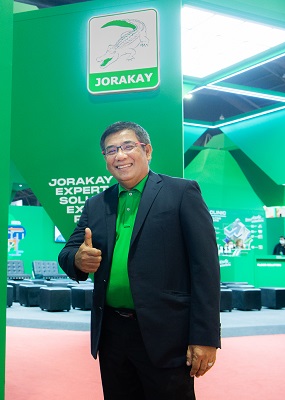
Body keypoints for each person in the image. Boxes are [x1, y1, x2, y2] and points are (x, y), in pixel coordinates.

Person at [58, 121, 220, 400]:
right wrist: (78, 259)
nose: (119, 155)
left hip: (166, 334)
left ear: (147, 150)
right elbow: (67, 252)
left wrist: (205, 337)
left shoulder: (181, 193)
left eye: (128, 146)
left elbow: (205, 269)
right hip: (112, 334)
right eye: (111, 150)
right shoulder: (97, 204)